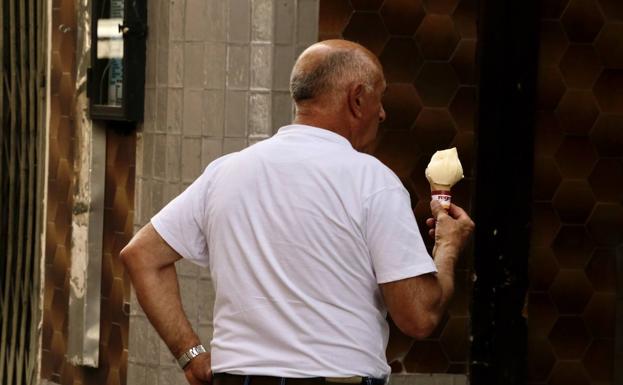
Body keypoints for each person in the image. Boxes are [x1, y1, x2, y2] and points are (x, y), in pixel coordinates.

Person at [120, 39, 475, 385]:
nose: (382, 113)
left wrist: (191, 354)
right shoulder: (373, 181)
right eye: (379, 98)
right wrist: (447, 248)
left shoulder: (225, 172)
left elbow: (142, 255)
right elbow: (418, 317)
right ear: (357, 99)